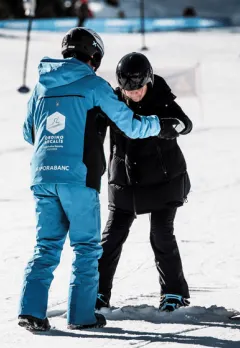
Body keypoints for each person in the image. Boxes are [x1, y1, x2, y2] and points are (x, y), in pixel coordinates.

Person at [18, 28, 177, 332]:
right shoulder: (94, 85)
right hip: (78, 177)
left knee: (46, 245)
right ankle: (81, 316)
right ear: (94, 56)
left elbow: (29, 133)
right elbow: (130, 124)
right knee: (87, 247)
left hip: (42, 176)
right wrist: (160, 124)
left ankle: (30, 311)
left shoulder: (41, 86)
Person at [96, 52, 193, 312]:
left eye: (139, 88)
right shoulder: (114, 102)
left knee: (161, 234)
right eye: (129, 89)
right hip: (125, 181)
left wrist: (169, 127)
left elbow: (186, 124)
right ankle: (97, 293)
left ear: (148, 80)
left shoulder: (161, 96)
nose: (135, 93)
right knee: (111, 238)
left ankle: (174, 293)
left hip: (164, 180)